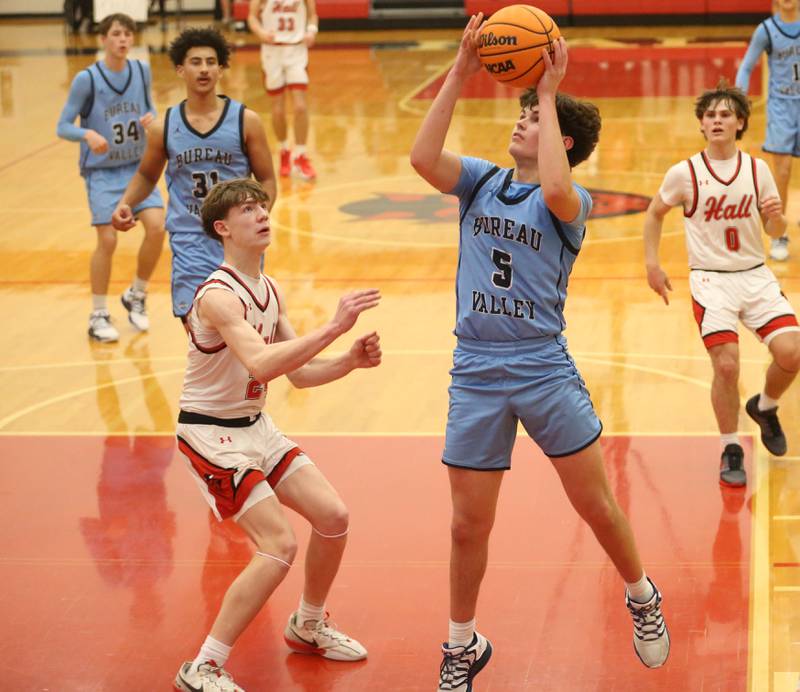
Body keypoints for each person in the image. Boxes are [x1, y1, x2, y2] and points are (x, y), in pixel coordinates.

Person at [410, 15, 670, 691]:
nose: (519, 122)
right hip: (476, 370)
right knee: (468, 525)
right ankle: (462, 644)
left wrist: (549, 92)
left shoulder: (572, 200)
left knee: (596, 504)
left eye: (531, 118)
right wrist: (463, 69)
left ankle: (641, 595)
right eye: (523, 114)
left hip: (541, 365)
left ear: (563, 139)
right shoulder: (479, 182)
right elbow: (421, 159)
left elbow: (555, 190)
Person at [173, 178, 382, 692]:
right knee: (278, 544)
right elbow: (263, 364)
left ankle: (308, 625)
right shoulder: (217, 297)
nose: (261, 213)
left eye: (262, 205)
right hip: (210, 436)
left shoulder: (269, 290)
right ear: (223, 228)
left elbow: (301, 374)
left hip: (254, 426)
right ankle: (201, 666)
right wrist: (334, 328)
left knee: (333, 516)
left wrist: (349, 362)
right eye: (248, 209)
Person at [644, 80, 800, 487]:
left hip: (755, 275)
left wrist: (777, 217)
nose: (717, 120)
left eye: (725, 114)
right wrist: (652, 264)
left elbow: (775, 228)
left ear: (740, 123)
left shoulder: (757, 169)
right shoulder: (685, 172)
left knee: (793, 353)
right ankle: (731, 446)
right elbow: (655, 212)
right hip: (711, 281)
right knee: (727, 366)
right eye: (710, 115)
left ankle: (765, 408)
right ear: (701, 124)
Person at [111, 27, 277, 321]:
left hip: (238, 242)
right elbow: (147, 176)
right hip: (190, 240)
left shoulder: (246, 121)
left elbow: (266, 179)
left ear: (221, 68)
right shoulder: (165, 127)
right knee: (199, 329)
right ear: (180, 69)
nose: (204, 69)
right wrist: (126, 203)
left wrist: (256, 217)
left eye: (211, 62)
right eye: (196, 62)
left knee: (243, 331)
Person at [57, 13, 165, 342]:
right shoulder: (87, 79)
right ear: (103, 39)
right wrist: (87, 134)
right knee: (107, 240)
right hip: (103, 173)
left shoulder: (141, 71)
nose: (123, 40)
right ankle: (98, 313)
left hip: (136, 169)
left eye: (128, 34)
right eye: (117, 34)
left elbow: (151, 110)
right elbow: (63, 126)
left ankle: (137, 294)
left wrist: (152, 120)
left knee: (158, 227)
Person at [735, 0, 800, 261]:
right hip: (781, 108)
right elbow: (747, 66)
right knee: (782, 171)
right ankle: (778, 234)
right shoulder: (767, 30)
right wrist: (739, 101)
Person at [247, 0, 318, 180]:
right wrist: (261, 32)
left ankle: (301, 155)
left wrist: (311, 31)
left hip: (296, 50)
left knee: (300, 106)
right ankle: (284, 149)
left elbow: (313, 15)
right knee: (277, 107)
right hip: (272, 52)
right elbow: (252, 17)